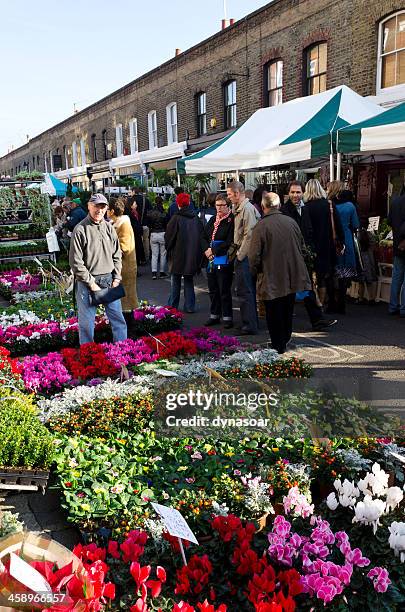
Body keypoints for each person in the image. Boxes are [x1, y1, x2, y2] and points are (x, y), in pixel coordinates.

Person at [249, 192, 311, 354]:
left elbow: (254, 255)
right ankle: (284, 338)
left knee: (273, 311)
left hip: (271, 275)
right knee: (287, 308)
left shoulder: (261, 226)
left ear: (263, 207)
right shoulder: (291, 222)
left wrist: (254, 272)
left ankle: (278, 344)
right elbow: (302, 246)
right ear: (278, 206)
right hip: (291, 274)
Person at [69, 193, 127, 345]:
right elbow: (76, 262)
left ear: (107, 208)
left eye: (102, 207)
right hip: (88, 284)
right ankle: (90, 357)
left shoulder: (109, 227)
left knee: (118, 320)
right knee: (86, 325)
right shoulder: (80, 229)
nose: (99, 210)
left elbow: (117, 255)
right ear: (89, 206)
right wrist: (91, 283)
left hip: (109, 281)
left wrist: (117, 277)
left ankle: (122, 351)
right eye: (96, 206)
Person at [226, 180, 260, 335]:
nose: (228, 198)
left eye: (229, 194)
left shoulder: (246, 209)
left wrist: (240, 256)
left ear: (237, 193)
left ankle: (249, 324)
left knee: (245, 290)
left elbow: (250, 235)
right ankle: (248, 322)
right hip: (243, 255)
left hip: (245, 256)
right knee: (245, 290)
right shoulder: (240, 208)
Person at [165, 192, 204, 312]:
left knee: (175, 282)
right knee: (188, 280)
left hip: (177, 255)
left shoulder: (176, 218)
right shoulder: (195, 218)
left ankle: (173, 306)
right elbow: (201, 236)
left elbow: (169, 237)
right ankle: (190, 306)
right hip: (191, 255)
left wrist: (168, 249)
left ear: (178, 204)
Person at [201, 193, 235, 329]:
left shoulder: (231, 220)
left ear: (228, 206)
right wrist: (206, 251)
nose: (219, 208)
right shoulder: (213, 220)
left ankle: (227, 316)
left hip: (223, 258)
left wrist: (214, 250)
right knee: (213, 288)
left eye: (222, 205)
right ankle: (214, 314)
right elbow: (203, 236)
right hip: (210, 258)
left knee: (224, 288)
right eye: (217, 205)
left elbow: (230, 240)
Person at [328, 184, 360, 314]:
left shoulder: (329, 204)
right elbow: (356, 225)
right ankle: (342, 303)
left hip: (331, 239)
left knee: (330, 273)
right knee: (343, 273)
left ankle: (331, 302)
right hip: (346, 239)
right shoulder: (350, 206)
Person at [107, 197, 138, 315]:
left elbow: (124, 248)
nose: (105, 211)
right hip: (121, 268)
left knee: (128, 300)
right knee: (123, 300)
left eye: (107, 209)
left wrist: (107, 251)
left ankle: (131, 327)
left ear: (112, 211)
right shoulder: (114, 224)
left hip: (126, 268)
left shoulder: (123, 224)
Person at [387, 185, 405, 316]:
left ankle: (393, 306)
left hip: (397, 244)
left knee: (397, 277)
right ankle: (404, 308)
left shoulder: (395, 202)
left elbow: (389, 221)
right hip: (403, 242)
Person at [147, 195, 168, 279]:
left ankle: (154, 273)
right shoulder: (164, 213)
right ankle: (162, 272)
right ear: (162, 202)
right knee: (163, 254)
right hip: (162, 233)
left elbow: (148, 223)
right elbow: (167, 224)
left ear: (155, 202)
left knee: (154, 255)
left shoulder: (150, 213)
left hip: (153, 234)